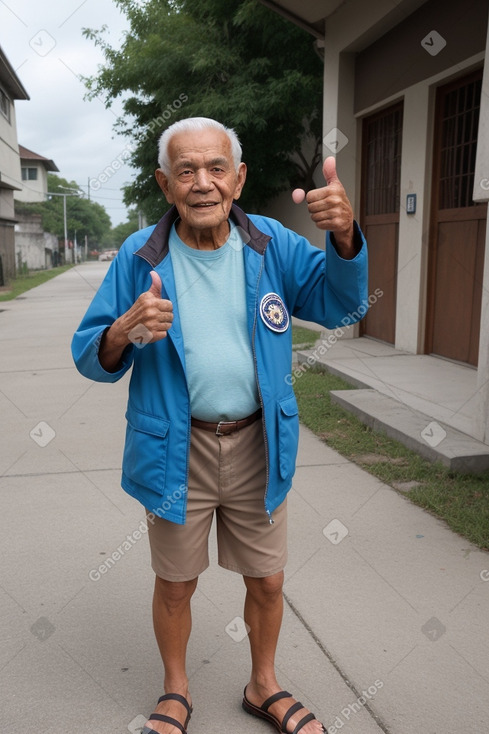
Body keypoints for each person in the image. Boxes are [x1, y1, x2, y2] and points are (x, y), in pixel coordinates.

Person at [71, 117, 368, 734]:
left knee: (267, 578)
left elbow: (340, 305)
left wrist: (343, 238)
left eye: (215, 169)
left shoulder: (274, 245)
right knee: (175, 583)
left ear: (238, 178)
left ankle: (264, 685)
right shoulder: (139, 254)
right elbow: (88, 355)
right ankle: (175, 691)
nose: (201, 183)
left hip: (260, 440)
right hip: (177, 447)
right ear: (164, 183)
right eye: (185, 170)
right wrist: (125, 328)